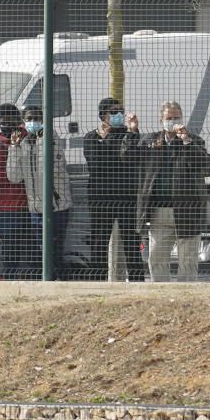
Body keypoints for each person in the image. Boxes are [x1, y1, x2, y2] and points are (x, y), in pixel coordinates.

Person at [125, 101, 210, 282]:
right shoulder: (150, 142)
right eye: (168, 118)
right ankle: (161, 293)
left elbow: (208, 167)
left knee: (188, 260)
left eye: (176, 117)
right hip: (159, 211)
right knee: (156, 258)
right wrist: (132, 131)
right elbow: (127, 156)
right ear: (161, 119)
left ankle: (185, 294)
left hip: (188, 210)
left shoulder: (194, 141)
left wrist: (187, 142)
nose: (172, 121)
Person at [7, 105, 72, 279]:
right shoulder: (24, 145)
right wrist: (14, 148)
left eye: (36, 119)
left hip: (57, 205)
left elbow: (52, 169)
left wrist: (42, 140)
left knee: (56, 250)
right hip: (35, 208)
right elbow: (14, 177)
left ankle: (61, 280)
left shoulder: (52, 140)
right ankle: (48, 280)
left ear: (43, 121)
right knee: (43, 249)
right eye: (28, 119)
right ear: (23, 122)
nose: (32, 122)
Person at [83, 97, 145, 282]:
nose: (118, 114)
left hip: (126, 197)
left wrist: (133, 131)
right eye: (114, 111)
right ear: (103, 116)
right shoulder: (92, 137)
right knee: (99, 242)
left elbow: (133, 158)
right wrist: (102, 140)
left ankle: (136, 281)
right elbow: (95, 163)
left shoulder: (129, 135)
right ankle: (98, 281)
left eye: (121, 111)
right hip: (101, 199)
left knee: (131, 242)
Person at [0, 103, 31, 280]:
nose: (7, 126)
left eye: (12, 121)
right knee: (11, 255)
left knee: (34, 253)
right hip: (9, 210)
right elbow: (3, 179)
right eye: (3, 122)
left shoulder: (30, 141)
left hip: (32, 207)